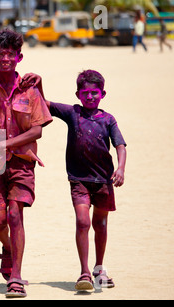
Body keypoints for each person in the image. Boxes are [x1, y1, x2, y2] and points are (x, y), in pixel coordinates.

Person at [28, 70, 127, 291]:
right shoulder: (73, 113)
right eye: (85, 93)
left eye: (94, 93)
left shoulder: (108, 119)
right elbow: (44, 104)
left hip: (103, 180)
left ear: (102, 94)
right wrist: (40, 82)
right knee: (83, 221)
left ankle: (99, 268)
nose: (90, 97)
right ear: (77, 94)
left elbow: (120, 145)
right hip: (79, 180)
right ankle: (84, 272)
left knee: (100, 224)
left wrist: (120, 168)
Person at [0, 29, 53, 297]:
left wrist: (4, 145)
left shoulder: (29, 89)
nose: (5, 58)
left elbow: (37, 130)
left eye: (10, 54)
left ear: (19, 57)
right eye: (0, 54)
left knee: (15, 215)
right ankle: (8, 248)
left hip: (22, 162)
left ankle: (15, 277)